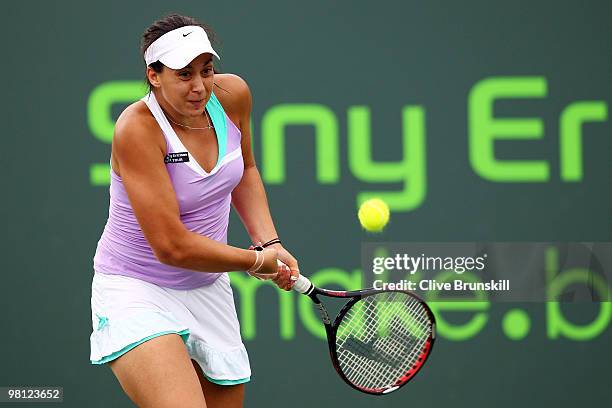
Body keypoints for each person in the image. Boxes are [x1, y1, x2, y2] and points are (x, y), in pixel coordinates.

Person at [89, 14, 300, 408]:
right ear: (154, 76)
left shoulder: (233, 94)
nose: (200, 86)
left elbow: (246, 169)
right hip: (137, 290)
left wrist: (270, 241)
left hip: (206, 289)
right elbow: (171, 247)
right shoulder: (137, 129)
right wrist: (256, 261)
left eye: (206, 70)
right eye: (184, 75)